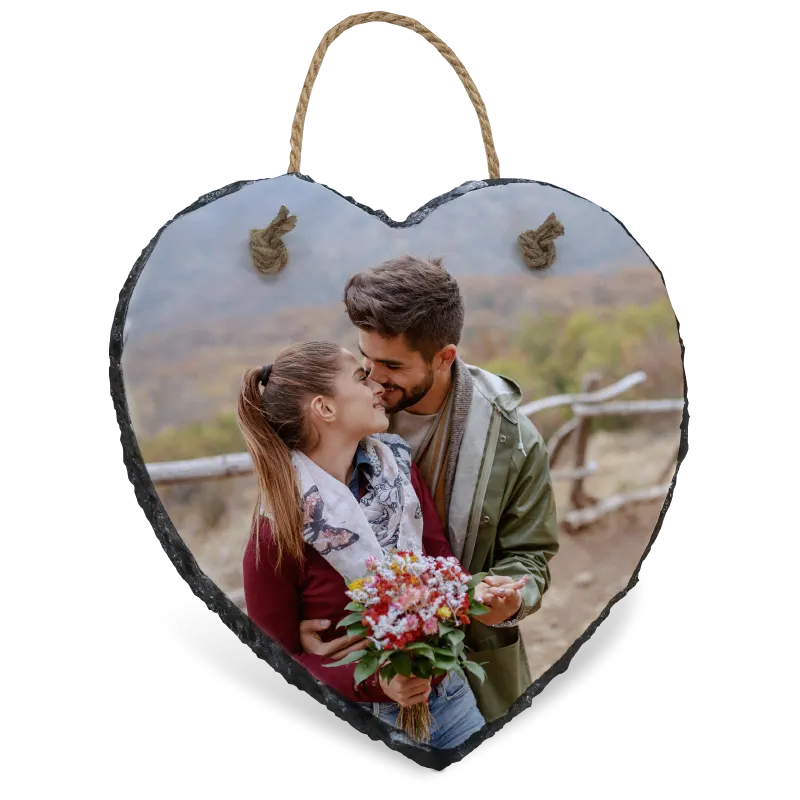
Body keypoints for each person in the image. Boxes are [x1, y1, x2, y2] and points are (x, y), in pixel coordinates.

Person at [298, 256, 560, 723]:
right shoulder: (341, 411)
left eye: (392, 365)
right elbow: (294, 514)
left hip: (471, 670)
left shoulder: (515, 440)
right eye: (366, 359)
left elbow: (531, 555)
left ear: (444, 357)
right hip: (354, 674)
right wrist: (302, 621)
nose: (373, 378)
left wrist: (511, 598)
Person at [238, 340, 486, 749]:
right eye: (359, 377)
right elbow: (276, 664)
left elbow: (443, 565)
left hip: (450, 698)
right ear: (325, 408)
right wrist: (377, 681)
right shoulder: (277, 531)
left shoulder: (398, 471)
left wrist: (478, 593)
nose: (376, 387)